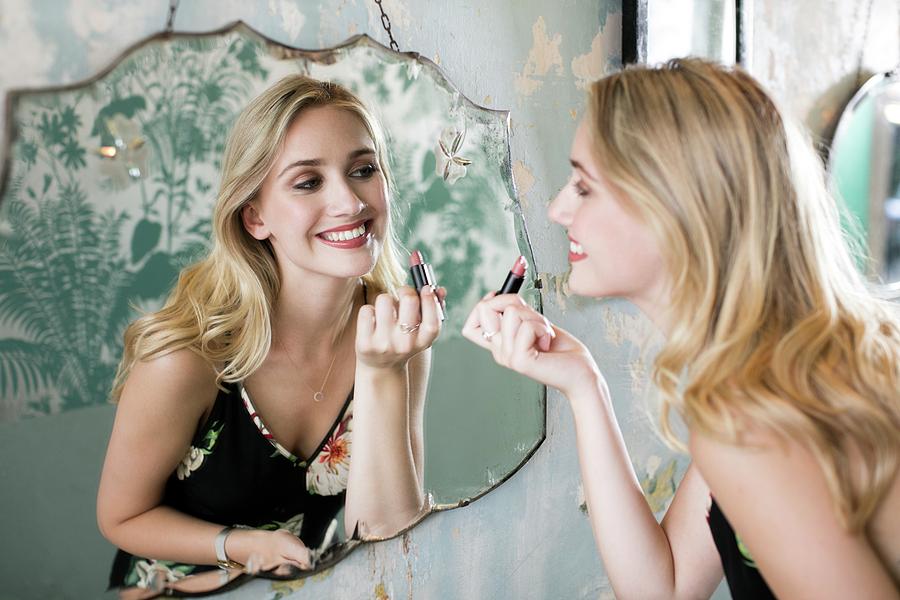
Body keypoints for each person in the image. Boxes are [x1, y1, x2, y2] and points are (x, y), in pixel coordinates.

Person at [463, 58, 900, 599]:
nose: (556, 209)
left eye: (583, 186)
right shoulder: (775, 379)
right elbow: (664, 589)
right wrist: (583, 383)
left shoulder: (756, 423)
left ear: (673, 206)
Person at [97, 75, 445, 589]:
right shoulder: (189, 359)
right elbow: (122, 519)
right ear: (255, 216)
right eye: (308, 182)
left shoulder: (394, 337)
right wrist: (237, 545)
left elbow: (389, 537)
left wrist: (382, 371)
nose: (350, 202)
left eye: (363, 170)